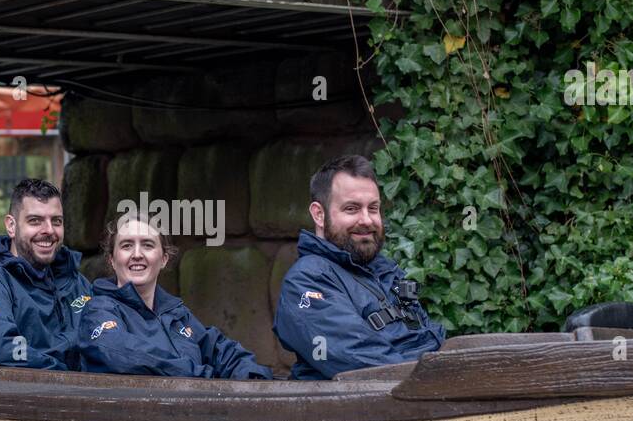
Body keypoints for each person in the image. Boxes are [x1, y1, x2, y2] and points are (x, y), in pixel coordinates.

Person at [273, 154, 446, 379]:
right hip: (357, 409)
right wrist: (443, 380)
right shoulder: (307, 281)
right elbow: (367, 368)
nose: (366, 220)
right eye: (352, 209)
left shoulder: (387, 272)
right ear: (319, 214)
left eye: (373, 208)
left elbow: (429, 338)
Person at [78, 215, 272, 380]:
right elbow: (122, 353)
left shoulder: (177, 314)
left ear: (163, 259)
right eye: (127, 246)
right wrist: (203, 378)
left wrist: (253, 378)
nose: (137, 254)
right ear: (112, 259)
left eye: (147, 245)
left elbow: (220, 351)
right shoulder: (99, 311)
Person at [0, 177, 93, 371]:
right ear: (11, 226)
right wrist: (65, 372)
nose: (49, 230)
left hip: (78, 394)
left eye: (56, 221)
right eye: (35, 221)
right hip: (7, 397)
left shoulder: (74, 281)